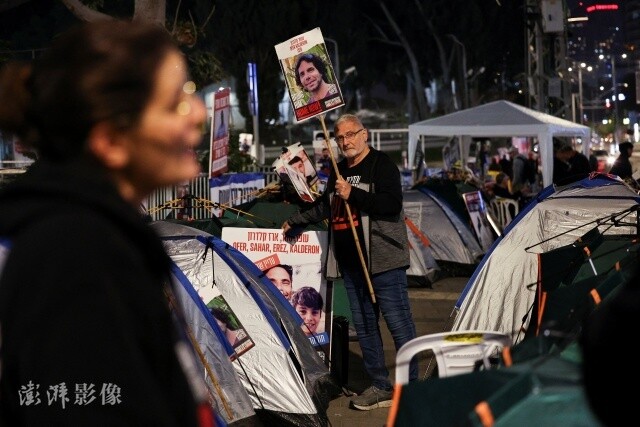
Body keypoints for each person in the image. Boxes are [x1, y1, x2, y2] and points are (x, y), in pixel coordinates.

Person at [0, 21, 214, 426]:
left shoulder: (100, 234)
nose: (198, 112)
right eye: (174, 104)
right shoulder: (75, 254)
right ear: (111, 142)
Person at [282, 114, 418, 411]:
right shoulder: (339, 169)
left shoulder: (381, 165)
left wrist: (352, 193)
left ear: (364, 134)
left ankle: (412, 389)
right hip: (351, 263)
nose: (345, 142)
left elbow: (391, 205)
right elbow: (324, 206)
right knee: (366, 328)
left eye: (350, 135)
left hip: (383, 262)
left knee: (399, 324)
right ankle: (381, 387)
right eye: (340, 138)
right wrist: (296, 221)